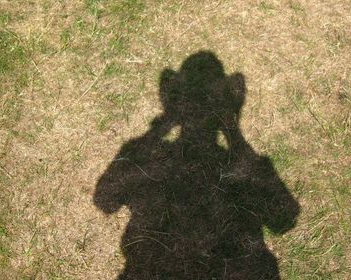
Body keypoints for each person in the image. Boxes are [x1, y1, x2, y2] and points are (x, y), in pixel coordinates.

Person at [94, 51, 300, 279]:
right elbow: (283, 218)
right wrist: (232, 128)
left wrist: (164, 123)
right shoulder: (233, 165)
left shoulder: (155, 158)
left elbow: (105, 199)